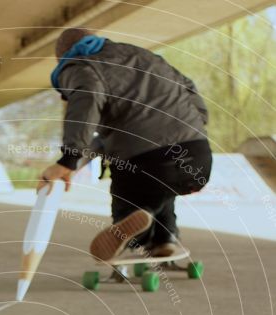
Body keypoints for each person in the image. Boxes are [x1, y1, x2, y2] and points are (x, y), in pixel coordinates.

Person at [38, 28, 212, 260]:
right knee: (162, 186)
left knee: (138, 191)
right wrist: (196, 128)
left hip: (145, 162)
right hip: (198, 154)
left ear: (63, 57)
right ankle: (165, 239)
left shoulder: (80, 65)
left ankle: (130, 233)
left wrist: (68, 159)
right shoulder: (143, 56)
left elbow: (86, 100)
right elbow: (189, 87)